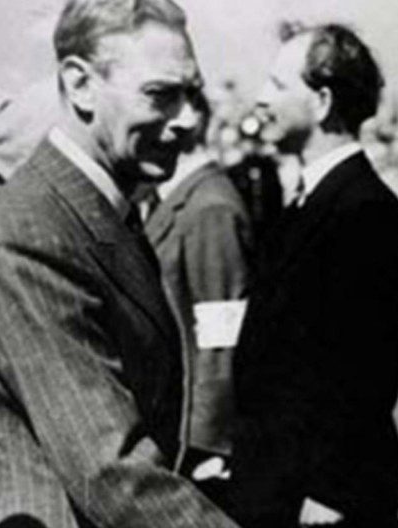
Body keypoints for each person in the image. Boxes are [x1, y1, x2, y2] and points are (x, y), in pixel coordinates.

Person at [0, 0, 237, 527]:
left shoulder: (92, 211)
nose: (189, 119)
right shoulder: (33, 231)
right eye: (161, 94)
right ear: (80, 84)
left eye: (191, 94)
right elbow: (109, 471)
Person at [228, 23, 398, 528]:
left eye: (278, 85)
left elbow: (365, 370)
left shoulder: (365, 211)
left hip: (320, 501)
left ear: (322, 101)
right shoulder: (312, 201)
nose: (261, 99)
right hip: (280, 481)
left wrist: (332, 490)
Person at [143, 92, 254, 504]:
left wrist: (209, 445)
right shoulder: (179, 199)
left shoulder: (210, 209)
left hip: (198, 445)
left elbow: (221, 335)